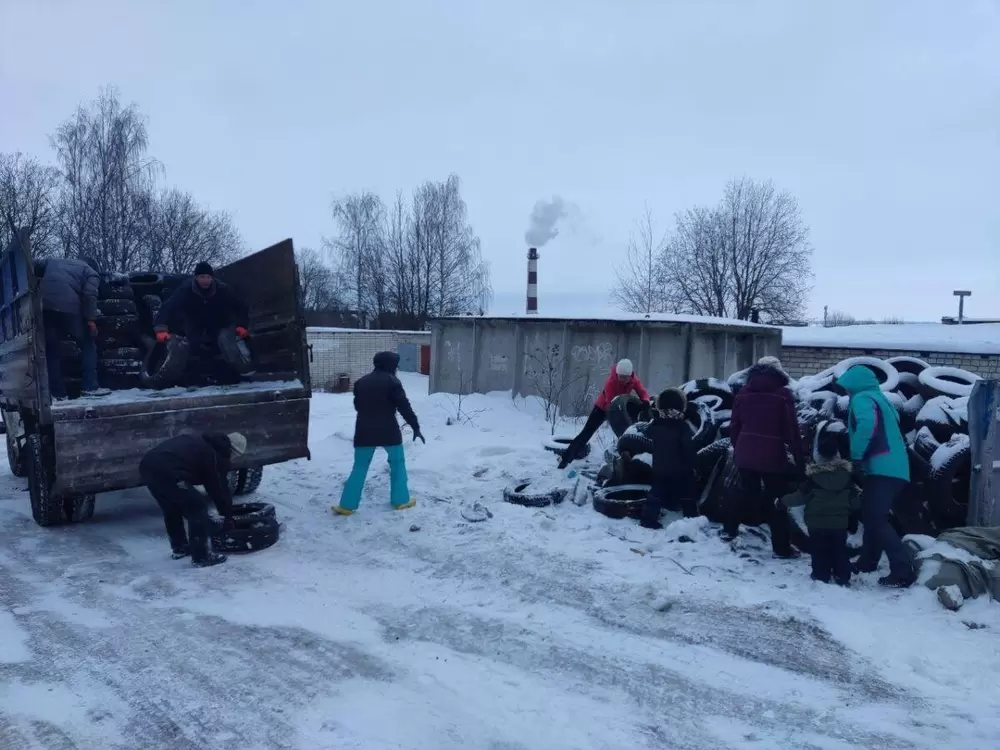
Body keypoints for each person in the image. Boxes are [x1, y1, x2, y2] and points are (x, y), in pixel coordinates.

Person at [837, 364, 915, 588]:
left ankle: (902, 571)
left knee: (875, 518)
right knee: (872, 515)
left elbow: (868, 426)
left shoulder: (862, 399)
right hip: (895, 468)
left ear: (855, 385)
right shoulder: (881, 399)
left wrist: (856, 456)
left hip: (882, 467)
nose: (846, 392)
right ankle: (867, 561)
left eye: (848, 387)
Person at [725, 356, 803, 558]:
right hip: (772, 456)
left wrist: (739, 447)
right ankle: (782, 547)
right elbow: (791, 430)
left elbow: (734, 425)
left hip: (745, 452)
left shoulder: (743, 393)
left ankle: (731, 530)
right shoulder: (783, 395)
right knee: (777, 499)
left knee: (744, 493)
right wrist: (799, 459)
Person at [332, 351, 423, 515]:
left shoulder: (361, 382)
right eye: (395, 365)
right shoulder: (393, 382)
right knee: (397, 464)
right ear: (390, 365)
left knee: (359, 467)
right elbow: (404, 406)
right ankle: (401, 500)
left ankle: (346, 505)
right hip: (389, 430)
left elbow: (358, 406)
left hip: (364, 430)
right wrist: (415, 426)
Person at [138, 431, 246, 567]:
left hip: (147, 466)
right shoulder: (213, 455)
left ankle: (180, 547)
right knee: (198, 507)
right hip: (167, 471)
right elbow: (217, 488)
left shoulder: (206, 442)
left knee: (171, 507)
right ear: (232, 450)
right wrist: (227, 515)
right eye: (235, 456)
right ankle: (201, 557)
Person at [780, 431, 860, 586]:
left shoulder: (813, 478)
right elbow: (855, 502)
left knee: (819, 551)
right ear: (837, 455)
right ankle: (843, 576)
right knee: (839, 551)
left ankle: (820, 575)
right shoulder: (846, 479)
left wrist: (781, 502)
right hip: (839, 525)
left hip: (816, 524)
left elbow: (799, 497)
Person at [153, 261, 250, 380]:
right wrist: (161, 328)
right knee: (193, 345)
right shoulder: (185, 289)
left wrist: (243, 325)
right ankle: (196, 375)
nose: (205, 280)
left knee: (222, 343)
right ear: (196, 278)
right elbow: (168, 306)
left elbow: (240, 306)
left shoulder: (223, 289)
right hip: (194, 320)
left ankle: (231, 372)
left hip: (219, 320)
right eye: (202, 277)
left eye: (208, 277)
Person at [34, 257, 110, 400]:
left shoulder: (52, 261)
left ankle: (56, 392)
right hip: (69, 307)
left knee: (52, 350)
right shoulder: (91, 272)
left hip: (44, 307)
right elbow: (89, 294)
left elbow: (34, 265)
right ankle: (90, 387)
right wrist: (91, 320)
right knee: (88, 344)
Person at [557, 358, 651, 470]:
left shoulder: (634, 380)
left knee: (626, 434)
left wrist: (645, 401)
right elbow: (610, 402)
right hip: (603, 408)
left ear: (629, 375)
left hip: (620, 407)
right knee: (586, 433)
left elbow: (642, 392)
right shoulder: (611, 381)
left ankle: (630, 459)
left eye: (624, 377)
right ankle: (566, 459)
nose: (622, 379)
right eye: (619, 376)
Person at [635, 388, 697, 529]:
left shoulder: (655, 425)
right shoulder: (682, 428)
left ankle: (648, 519)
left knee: (656, 493)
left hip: (660, 467)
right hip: (680, 469)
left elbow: (648, 433)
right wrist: (693, 464)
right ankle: (691, 517)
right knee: (688, 491)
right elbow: (688, 448)